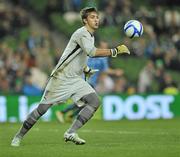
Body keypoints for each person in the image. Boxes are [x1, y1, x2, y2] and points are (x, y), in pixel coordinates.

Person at [11, 7, 130, 146]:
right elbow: (91, 52)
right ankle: (18, 137)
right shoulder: (81, 33)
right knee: (42, 110)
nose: (96, 19)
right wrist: (114, 51)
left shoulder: (90, 36)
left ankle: (71, 132)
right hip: (61, 77)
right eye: (92, 17)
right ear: (85, 20)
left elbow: (81, 55)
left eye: (97, 17)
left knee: (94, 101)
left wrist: (85, 69)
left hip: (75, 79)